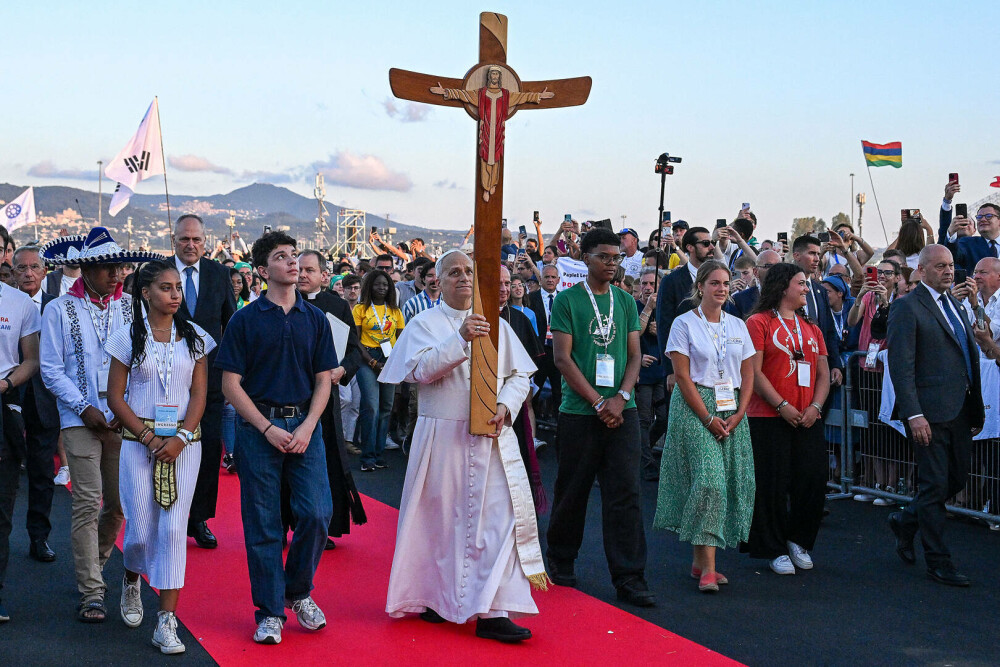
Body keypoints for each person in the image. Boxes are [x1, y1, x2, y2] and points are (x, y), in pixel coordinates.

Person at [380, 250, 543, 642]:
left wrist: (505, 404)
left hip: (491, 437)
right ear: (438, 281)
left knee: (499, 522)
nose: (464, 278)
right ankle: (437, 598)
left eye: (469, 271)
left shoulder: (498, 325)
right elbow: (419, 371)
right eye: (454, 272)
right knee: (441, 523)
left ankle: (493, 611)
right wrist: (460, 340)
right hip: (442, 436)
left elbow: (522, 375)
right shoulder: (425, 322)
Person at [215, 230, 336, 643]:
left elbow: (324, 381)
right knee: (263, 525)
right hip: (257, 430)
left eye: (296, 256)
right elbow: (231, 383)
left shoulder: (315, 319)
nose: (294, 263)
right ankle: (269, 612)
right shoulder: (245, 319)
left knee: (318, 513)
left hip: (306, 427)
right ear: (264, 271)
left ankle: (297, 591)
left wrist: (306, 427)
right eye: (284, 257)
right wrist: (265, 428)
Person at [40, 227, 160, 622]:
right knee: (88, 502)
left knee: (119, 505)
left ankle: (95, 565)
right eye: (108, 267)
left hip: (121, 419)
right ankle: (91, 589)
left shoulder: (131, 307)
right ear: (87, 269)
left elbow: (143, 363)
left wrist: (128, 409)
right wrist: (83, 407)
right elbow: (51, 369)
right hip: (79, 419)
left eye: (120, 267)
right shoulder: (59, 308)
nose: (117, 274)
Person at [105, 260, 214, 653]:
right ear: (146, 292)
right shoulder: (125, 337)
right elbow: (116, 398)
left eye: (177, 289)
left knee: (172, 529)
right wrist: (150, 438)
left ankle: (166, 621)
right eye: (165, 288)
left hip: (186, 443)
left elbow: (199, 394)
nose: (174, 295)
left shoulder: (196, 337)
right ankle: (132, 578)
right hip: (139, 443)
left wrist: (181, 437)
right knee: (140, 529)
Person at [545, 228, 653, 607]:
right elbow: (562, 359)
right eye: (604, 257)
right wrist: (597, 402)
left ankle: (629, 576)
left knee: (626, 493)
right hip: (580, 412)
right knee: (572, 489)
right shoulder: (567, 301)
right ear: (586, 257)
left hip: (623, 411)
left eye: (616, 257)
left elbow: (635, 355)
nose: (611, 263)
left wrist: (621, 398)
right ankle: (561, 558)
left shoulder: (624, 302)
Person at [654, 260, 756, 593]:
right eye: (715, 283)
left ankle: (701, 560)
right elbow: (682, 376)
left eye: (726, 283)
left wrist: (740, 412)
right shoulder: (684, 324)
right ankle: (710, 569)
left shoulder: (739, 326)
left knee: (723, 483)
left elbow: (749, 372)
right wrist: (707, 418)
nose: (722, 288)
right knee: (708, 482)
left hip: (731, 408)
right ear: (700, 286)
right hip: (695, 407)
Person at [887, 245, 984, 587]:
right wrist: (913, 414)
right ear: (922, 271)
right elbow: (901, 366)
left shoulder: (956, 304)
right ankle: (938, 561)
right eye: (940, 265)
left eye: (951, 265)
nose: (948, 271)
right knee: (934, 485)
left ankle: (906, 519)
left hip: (959, 410)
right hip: (928, 413)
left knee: (955, 480)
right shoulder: (906, 307)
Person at [742, 263, 830, 575]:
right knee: (771, 484)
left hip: (808, 417)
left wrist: (815, 408)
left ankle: (798, 539)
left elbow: (823, 374)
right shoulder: (757, 322)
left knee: (813, 480)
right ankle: (774, 546)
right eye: (801, 283)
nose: (807, 288)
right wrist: (781, 406)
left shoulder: (812, 328)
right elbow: (754, 371)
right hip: (768, 417)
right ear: (783, 287)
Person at [292, 250, 366, 549]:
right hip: (293, 395)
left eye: (309, 269)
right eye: (299, 269)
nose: (302, 275)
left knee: (329, 458)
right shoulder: (286, 303)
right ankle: (294, 524)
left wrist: (342, 369)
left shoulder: (337, 305)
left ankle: (327, 525)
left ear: (324, 274)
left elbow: (354, 351)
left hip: (327, 396)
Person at [171, 214, 237, 550]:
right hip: (166, 379)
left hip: (210, 380)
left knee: (209, 448)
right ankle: (169, 516)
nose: (191, 245)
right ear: (174, 240)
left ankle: (198, 519)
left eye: (197, 239)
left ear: (205, 242)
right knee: (167, 448)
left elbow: (232, 325)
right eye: (185, 239)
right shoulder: (158, 274)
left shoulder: (219, 273)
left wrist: (231, 374)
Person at [10, 246, 60, 563]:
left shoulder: (57, 307)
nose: (28, 273)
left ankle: (39, 538)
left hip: (45, 398)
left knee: (42, 473)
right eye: (21, 268)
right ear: (13, 272)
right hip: (9, 394)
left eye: (34, 267)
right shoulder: (5, 304)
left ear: (44, 271)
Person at [0, 264, 41, 623]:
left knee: (1, 512)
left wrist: (6, 384)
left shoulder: (20, 304)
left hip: (3, 413)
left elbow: (31, 360)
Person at [352, 269, 405, 472]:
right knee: (371, 407)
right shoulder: (361, 309)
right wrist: (372, 362)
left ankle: (378, 454)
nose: (382, 287)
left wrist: (395, 363)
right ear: (369, 287)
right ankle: (367, 456)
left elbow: (400, 340)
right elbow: (355, 340)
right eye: (377, 284)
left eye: (385, 284)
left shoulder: (395, 311)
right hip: (367, 359)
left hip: (390, 359)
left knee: (386, 408)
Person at [656, 226, 716, 388]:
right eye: (705, 243)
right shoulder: (671, 281)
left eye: (712, 243)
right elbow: (664, 326)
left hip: (714, 364)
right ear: (690, 247)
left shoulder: (719, 280)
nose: (711, 247)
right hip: (683, 364)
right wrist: (670, 370)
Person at [790, 235, 843, 386]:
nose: (817, 259)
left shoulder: (819, 290)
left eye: (818, 254)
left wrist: (835, 364)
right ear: (797, 255)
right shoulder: (785, 288)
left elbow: (829, 330)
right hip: (792, 362)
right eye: (812, 253)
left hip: (818, 364)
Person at [635, 267, 665, 481]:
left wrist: (661, 329)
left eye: (652, 284)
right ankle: (645, 461)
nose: (647, 288)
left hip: (662, 371)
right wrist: (648, 308)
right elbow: (635, 332)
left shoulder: (666, 308)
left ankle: (643, 450)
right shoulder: (635, 306)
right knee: (643, 418)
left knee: (664, 417)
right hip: (642, 373)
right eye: (644, 284)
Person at [527, 264, 562, 420]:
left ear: (558, 280)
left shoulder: (563, 298)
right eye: (546, 277)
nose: (550, 280)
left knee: (559, 392)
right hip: (538, 352)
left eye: (553, 277)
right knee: (535, 391)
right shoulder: (530, 298)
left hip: (558, 353)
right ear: (541, 279)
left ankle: (559, 427)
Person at [728, 250, 779, 319]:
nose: (776, 270)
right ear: (756, 272)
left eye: (779, 266)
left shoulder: (790, 296)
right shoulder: (739, 300)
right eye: (768, 266)